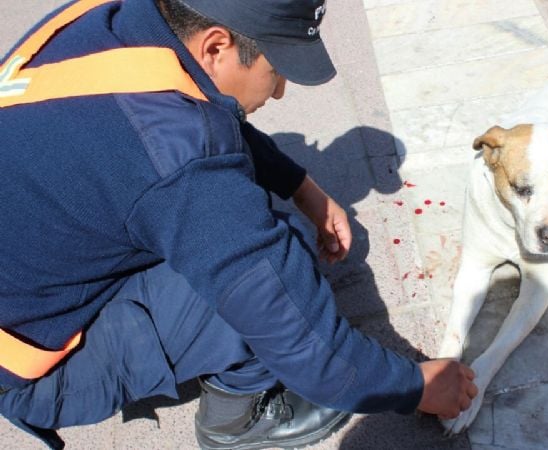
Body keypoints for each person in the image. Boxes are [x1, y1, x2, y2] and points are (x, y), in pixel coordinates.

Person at [0, 0, 478, 449]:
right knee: (272, 270)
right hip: (25, 370)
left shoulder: (117, 19)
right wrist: (418, 386)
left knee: (229, 229)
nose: (281, 90)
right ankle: (239, 415)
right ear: (215, 46)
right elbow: (314, 353)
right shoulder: (178, 155)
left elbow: (202, 111)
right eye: (275, 70)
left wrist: (299, 185)